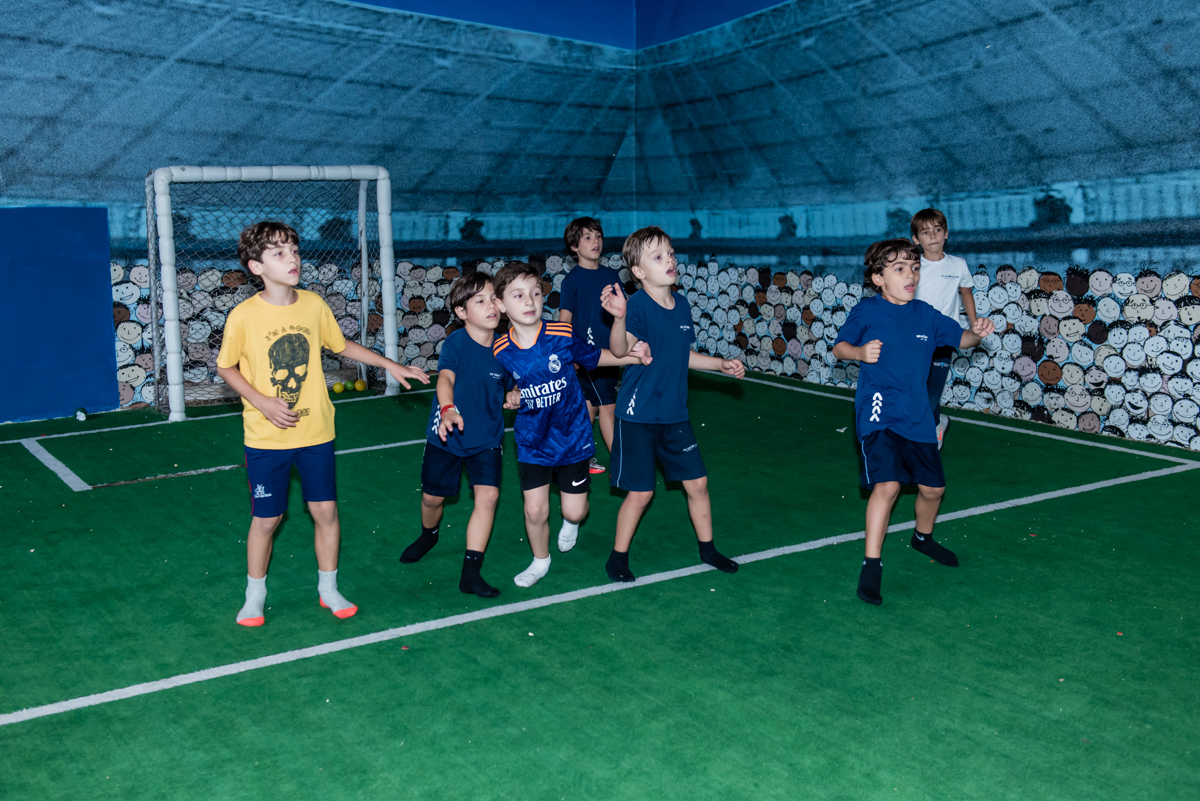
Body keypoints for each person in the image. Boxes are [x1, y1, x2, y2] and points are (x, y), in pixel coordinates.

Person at [216, 221, 429, 626]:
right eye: (279, 253)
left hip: (316, 432)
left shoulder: (313, 305)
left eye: (294, 250)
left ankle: (328, 589)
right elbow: (226, 367)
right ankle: (254, 595)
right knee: (267, 519)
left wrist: (389, 364)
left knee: (325, 511)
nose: (292, 258)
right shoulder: (243, 316)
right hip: (266, 437)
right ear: (256, 267)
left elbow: (340, 344)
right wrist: (261, 401)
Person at [831, 238, 994, 605]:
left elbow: (962, 339)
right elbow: (840, 347)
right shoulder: (867, 311)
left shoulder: (926, 314)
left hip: (918, 415)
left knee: (933, 489)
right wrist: (859, 352)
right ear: (878, 278)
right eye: (900, 269)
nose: (911, 275)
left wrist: (977, 332)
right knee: (887, 486)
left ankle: (923, 538)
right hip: (879, 411)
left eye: (915, 268)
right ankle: (871, 566)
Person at [491, 261, 651, 588]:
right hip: (533, 442)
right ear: (501, 304)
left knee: (575, 512)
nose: (529, 301)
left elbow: (594, 357)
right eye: (518, 295)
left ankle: (572, 521)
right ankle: (540, 560)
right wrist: (512, 394)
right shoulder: (500, 349)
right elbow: (508, 383)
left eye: (535, 293)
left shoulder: (561, 334)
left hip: (573, 438)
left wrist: (633, 355)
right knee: (535, 511)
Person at [601, 225, 745, 584]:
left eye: (670, 253)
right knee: (641, 493)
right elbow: (620, 350)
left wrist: (720, 365)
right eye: (658, 256)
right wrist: (618, 317)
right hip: (638, 415)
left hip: (674, 414)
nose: (669, 260)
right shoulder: (636, 306)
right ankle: (617, 557)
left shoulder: (681, 304)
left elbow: (682, 355)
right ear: (638, 271)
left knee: (698, 483)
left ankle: (708, 549)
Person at [398, 272, 521, 597]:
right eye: (480, 301)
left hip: (487, 436)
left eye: (493, 298)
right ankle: (429, 534)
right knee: (432, 498)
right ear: (462, 312)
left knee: (489, 497)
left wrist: (515, 393)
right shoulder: (456, 343)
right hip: (447, 433)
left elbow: (514, 383)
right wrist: (448, 409)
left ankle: (471, 572)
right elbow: (445, 379)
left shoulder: (507, 346)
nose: (490, 305)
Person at [558, 217, 622, 474]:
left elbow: (622, 313)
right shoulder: (571, 281)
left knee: (590, 405)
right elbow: (564, 321)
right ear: (574, 246)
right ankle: (623, 462)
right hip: (587, 356)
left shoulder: (611, 276)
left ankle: (578, 457)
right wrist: (569, 354)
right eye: (587, 237)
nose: (596, 241)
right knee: (607, 405)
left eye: (598, 236)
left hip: (613, 354)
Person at [910, 208, 978, 449]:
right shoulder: (912, 267)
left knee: (932, 389)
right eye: (925, 232)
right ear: (916, 239)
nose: (933, 236)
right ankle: (937, 422)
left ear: (946, 233)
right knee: (917, 387)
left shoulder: (958, 265)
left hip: (943, 338)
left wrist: (974, 324)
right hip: (915, 338)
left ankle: (923, 437)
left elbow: (966, 293)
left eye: (937, 230)